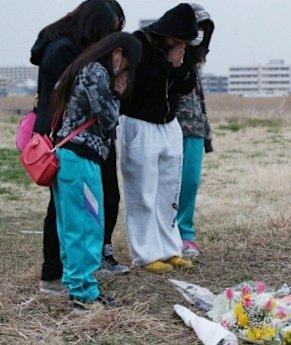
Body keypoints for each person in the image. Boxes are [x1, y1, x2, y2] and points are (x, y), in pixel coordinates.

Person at [30, 0, 129, 297]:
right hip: (72, 141)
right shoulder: (67, 52)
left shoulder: (64, 46)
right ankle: (60, 277)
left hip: (69, 139)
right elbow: (96, 106)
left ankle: (70, 276)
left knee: (72, 212)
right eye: (108, 32)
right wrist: (114, 86)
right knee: (75, 215)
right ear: (94, 27)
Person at [50, 32, 142, 310]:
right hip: (81, 160)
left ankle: (76, 285)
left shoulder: (81, 67)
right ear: (117, 53)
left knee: (71, 226)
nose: (125, 72)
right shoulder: (96, 72)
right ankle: (84, 293)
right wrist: (118, 92)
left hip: (69, 158)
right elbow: (108, 118)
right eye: (126, 65)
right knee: (88, 226)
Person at [120, 3, 197, 273]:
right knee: (142, 191)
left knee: (168, 192)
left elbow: (188, 84)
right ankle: (145, 253)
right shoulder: (137, 43)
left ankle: (169, 248)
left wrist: (178, 64)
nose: (181, 45)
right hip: (140, 124)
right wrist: (169, 64)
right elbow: (139, 85)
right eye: (178, 40)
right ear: (167, 31)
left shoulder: (179, 49)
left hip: (169, 125)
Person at [176, 3, 215, 258]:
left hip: (195, 129)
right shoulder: (170, 59)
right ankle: (169, 232)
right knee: (171, 183)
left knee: (190, 181)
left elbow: (200, 101)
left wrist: (207, 134)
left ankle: (185, 232)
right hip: (171, 127)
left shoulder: (196, 64)